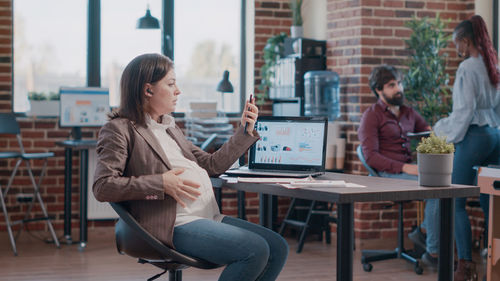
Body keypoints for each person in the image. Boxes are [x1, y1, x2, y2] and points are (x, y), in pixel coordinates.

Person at [93, 53, 289, 281]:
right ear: (148, 90)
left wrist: (244, 130)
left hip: (205, 217)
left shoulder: (169, 128)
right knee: (254, 250)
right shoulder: (120, 129)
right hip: (173, 224)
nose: (178, 91)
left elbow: (211, 165)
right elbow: (103, 186)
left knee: (277, 247)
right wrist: (161, 183)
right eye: (171, 83)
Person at [433, 15, 500, 281]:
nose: (456, 50)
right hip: (496, 136)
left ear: (465, 41)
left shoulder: (468, 69)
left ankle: (465, 267)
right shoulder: (494, 64)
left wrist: (442, 131)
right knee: (491, 200)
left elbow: (464, 112)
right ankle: (492, 257)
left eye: (456, 44)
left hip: (474, 136)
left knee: (456, 200)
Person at [357, 65, 439, 267]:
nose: (398, 88)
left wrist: (433, 137)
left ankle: (424, 233)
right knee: (437, 190)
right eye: (392, 85)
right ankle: (433, 251)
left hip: (408, 170)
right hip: (386, 175)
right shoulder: (372, 115)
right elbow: (371, 157)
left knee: (444, 184)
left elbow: (428, 132)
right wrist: (405, 168)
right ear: (379, 90)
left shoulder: (408, 112)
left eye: (399, 83)